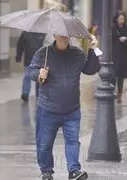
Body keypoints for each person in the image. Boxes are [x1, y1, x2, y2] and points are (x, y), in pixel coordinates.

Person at [27, 34, 100, 180]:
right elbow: (31, 71)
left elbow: (91, 69)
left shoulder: (77, 53)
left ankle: (74, 170)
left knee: (73, 142)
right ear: (55, 35)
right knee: (44, 143)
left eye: (67, 35)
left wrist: (94, 49)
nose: (64, 37)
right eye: (61, 35)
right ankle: (46, 172)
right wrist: (39, 74)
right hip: (48, 109)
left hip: (71, 109)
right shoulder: (44, 53)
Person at [112, 11, 127, 103]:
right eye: (119, 18)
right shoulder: (113, 28)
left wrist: (126, 38)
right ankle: (112, 93)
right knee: (113, 74)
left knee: (120, 76)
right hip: (114, 54)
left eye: (122, 18)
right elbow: (110, 39)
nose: (121, 20)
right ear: (116, 19)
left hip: (124, 54)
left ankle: (119, 95)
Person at [16, 31, 45, 101]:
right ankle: (25, 94)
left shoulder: (43, 33)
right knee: (27, 76)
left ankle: (39, 94)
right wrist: (18, 57)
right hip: (29, 60)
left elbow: (47, 46)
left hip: (40, 60)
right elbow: (20, 45)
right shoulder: (26, 33)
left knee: (39, 77)